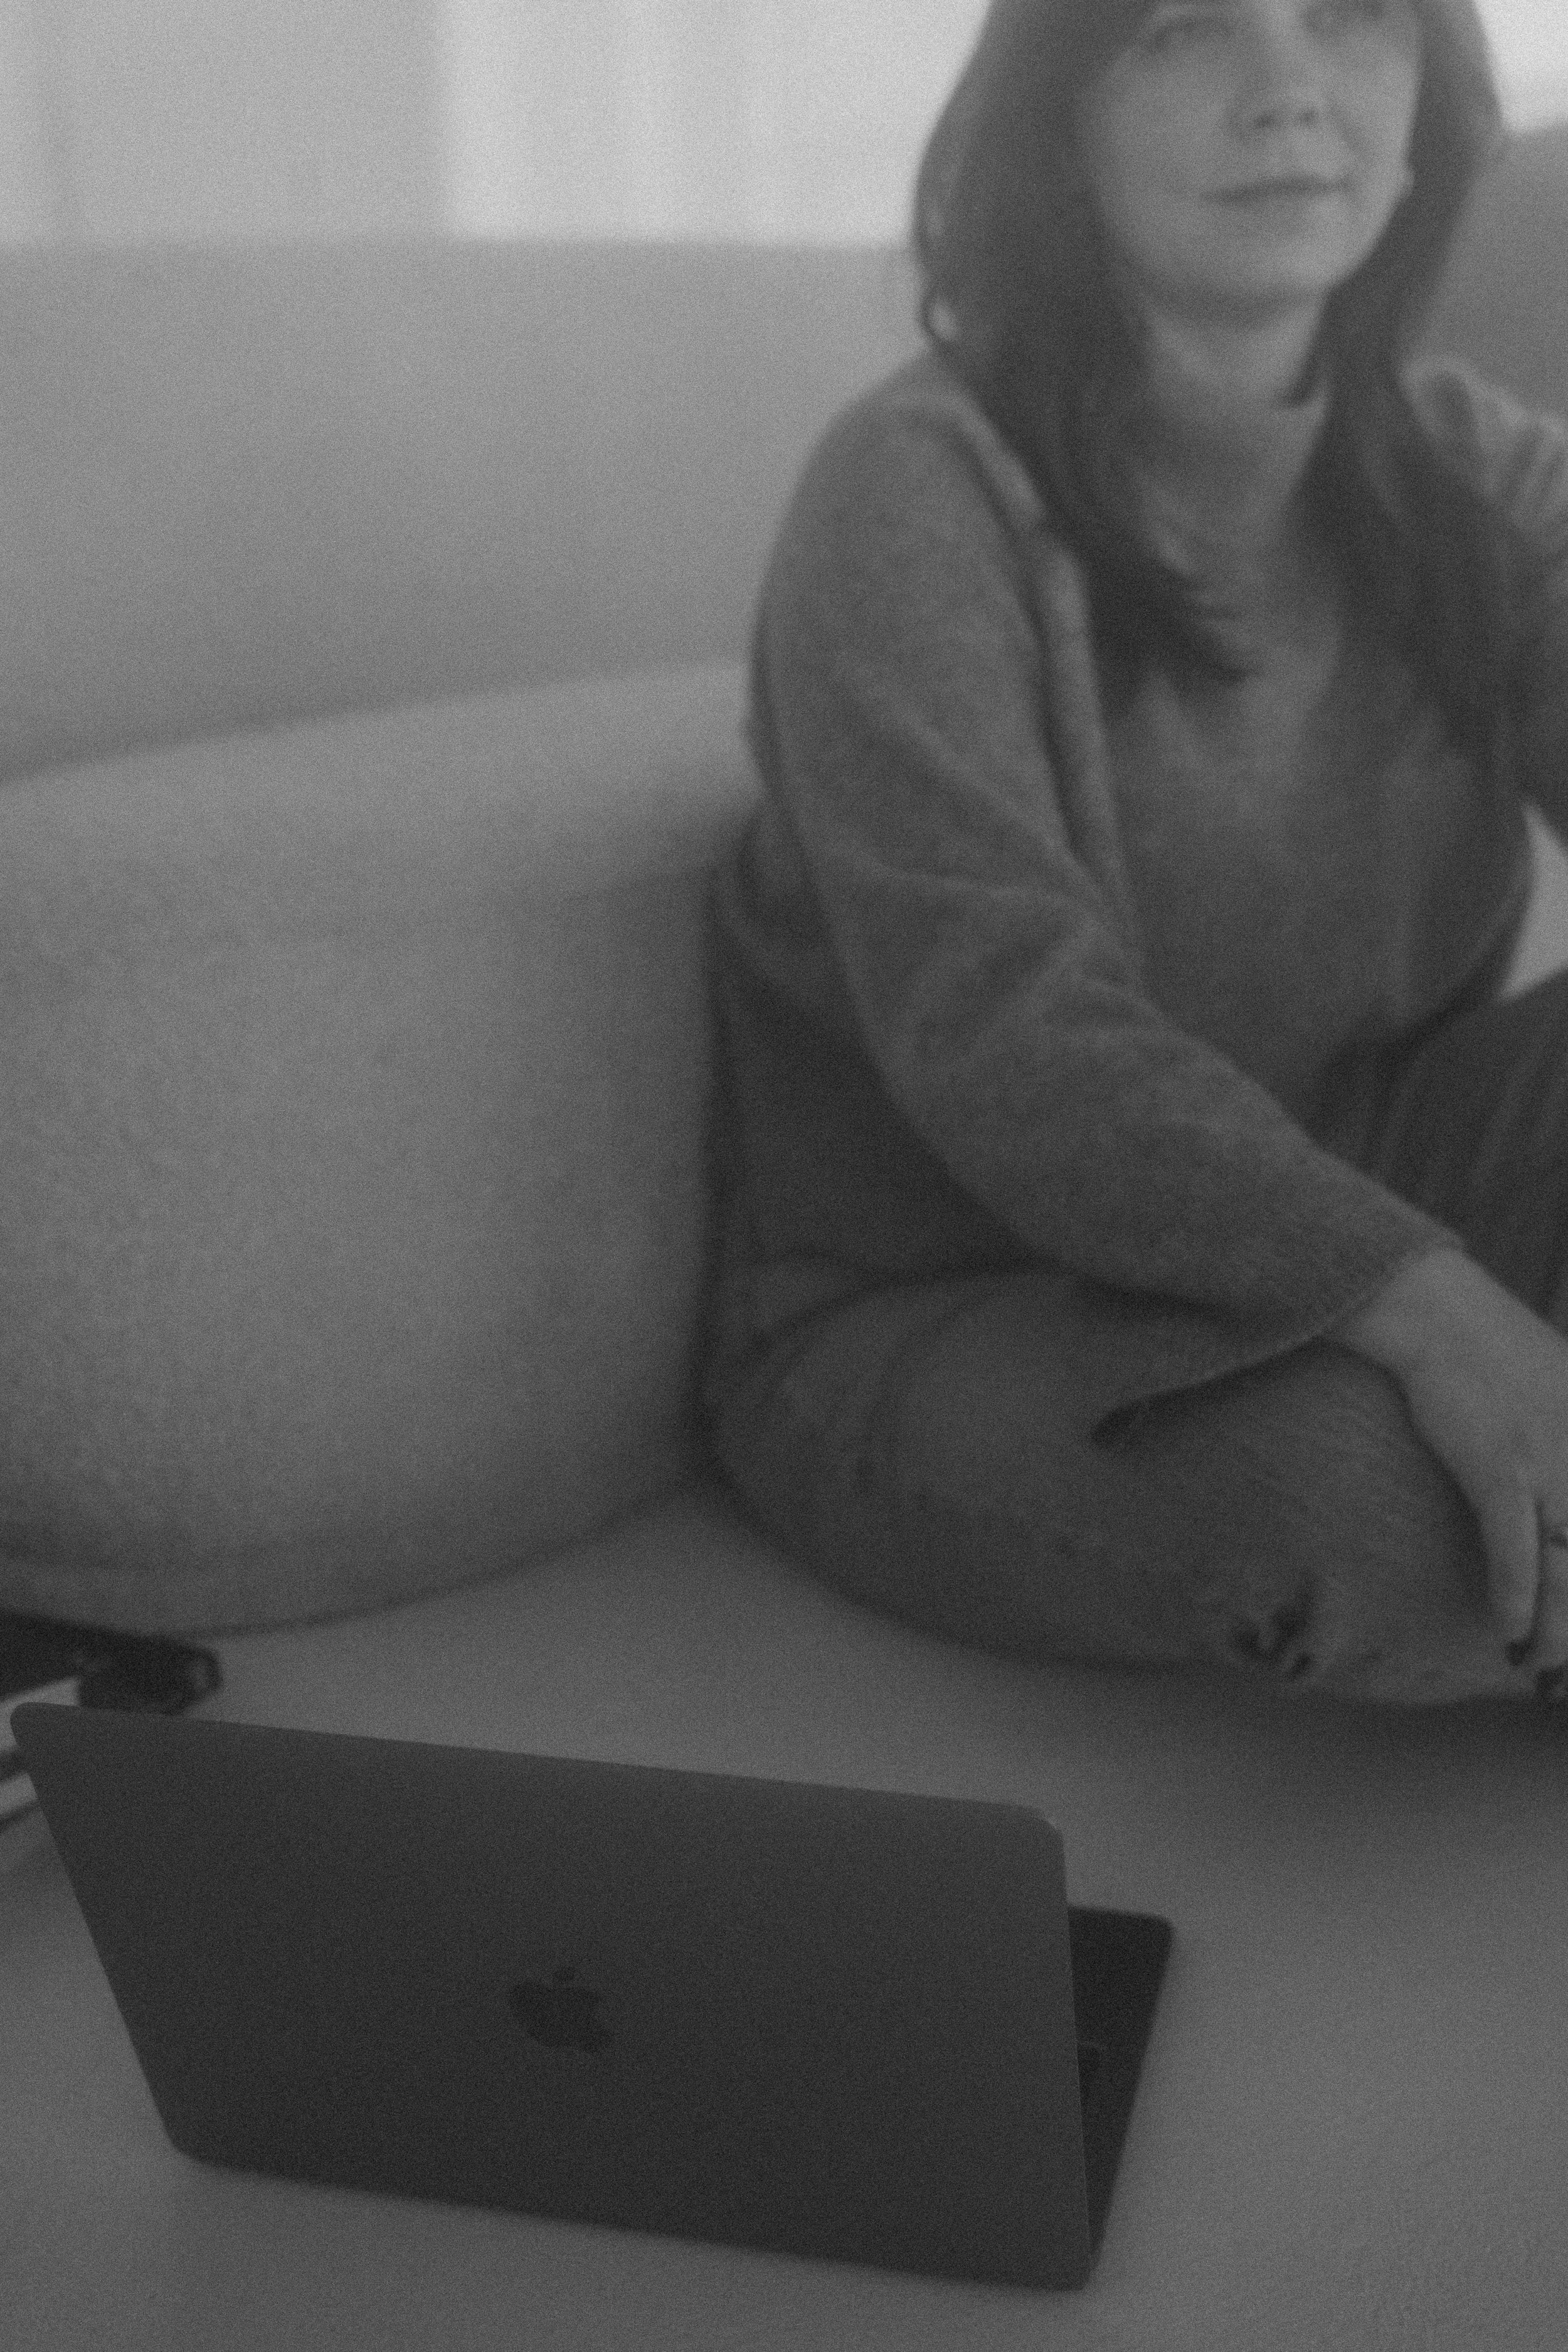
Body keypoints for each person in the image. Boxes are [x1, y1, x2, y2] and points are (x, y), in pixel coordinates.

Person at [700, 0, 1568, 1707]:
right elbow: (1009, 1036)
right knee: (1379, 1508)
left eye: (1348, 19)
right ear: (1057, 110)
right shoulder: (911, 490)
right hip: (948, 1297)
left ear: (1426, 96)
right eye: (1181, 31)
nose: (1289, 91)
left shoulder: (1474, 467)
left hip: (1368, 1165)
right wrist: (1439, 1314)